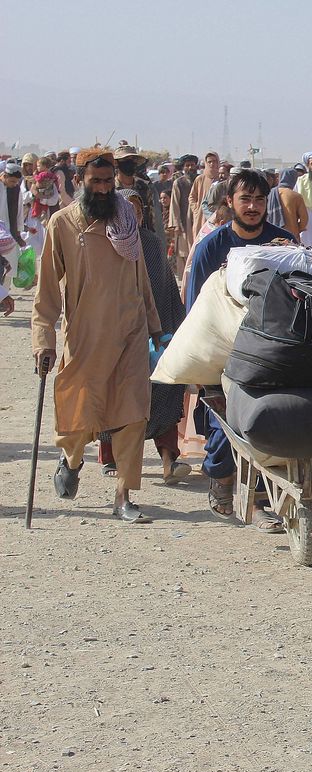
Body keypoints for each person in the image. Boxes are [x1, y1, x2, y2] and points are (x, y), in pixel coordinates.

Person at [32, 148, 162, 523]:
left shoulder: (126, 221)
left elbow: (141, 281)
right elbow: (46, 295)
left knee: (133, 412)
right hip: (86, 336)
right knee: (78, 412)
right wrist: (44, 341)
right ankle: (71, 459)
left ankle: (123, 494)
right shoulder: (62, 225)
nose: (105, 189)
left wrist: (155, 328)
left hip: (131, 333)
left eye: (109, 182)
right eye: (96, 182)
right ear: (79, 181)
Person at [188, 170, 295, 530]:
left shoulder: (283, 243)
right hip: (225, 351)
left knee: (270, 423)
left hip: (272, 352)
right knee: (225, 423)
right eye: (245, 199)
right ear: (229, 203)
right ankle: (221, 479)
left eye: (259, 200)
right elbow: (195, 309)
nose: (252, 207)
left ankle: (262, 502)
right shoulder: (211, 247)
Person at [106, 188, 190, 484]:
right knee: (115, 394)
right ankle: (110, 456)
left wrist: (178, 329)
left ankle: (170, 459)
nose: (132, 217)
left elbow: (167, 288)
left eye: (137, 211)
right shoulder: (102, 244)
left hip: (156, 333)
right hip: (116, 336)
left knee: (165, 388)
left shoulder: (153, 244)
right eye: (125, 211)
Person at [168, 154, 199, 277]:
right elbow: (174, 204)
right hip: (184, 222)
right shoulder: (179, 183)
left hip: (199, 220)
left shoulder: (200, 180)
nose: (190, 167)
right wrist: (176, 224)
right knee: (185, 252)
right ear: (183, 167)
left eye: (192, 164)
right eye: (187, 165)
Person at [266, 166, 308, 242]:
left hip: (270, 235)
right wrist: (297, 229)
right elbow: (304, 220)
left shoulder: (269, 193)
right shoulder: (296, 196)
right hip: (291, 237)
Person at [188, 151, 220, 242]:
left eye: (214, 161)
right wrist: (196, 210)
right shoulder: (200, 179)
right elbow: (192, 197)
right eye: (209, 162)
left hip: (216, 215)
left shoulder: (221, 178)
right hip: (201, 216)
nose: (212, 164)